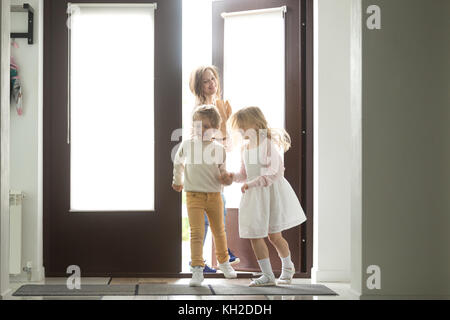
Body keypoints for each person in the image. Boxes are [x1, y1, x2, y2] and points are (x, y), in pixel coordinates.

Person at [220, 107, 307, 287]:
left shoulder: (267, 145)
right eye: (239, 128)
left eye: (243, 127)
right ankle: (267, 275)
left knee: (274, 236)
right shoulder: (245, 148)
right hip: (254, 196)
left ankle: (287, 267)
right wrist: (233, 177)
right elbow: (244, 173)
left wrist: (251, 184)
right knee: (254, 235)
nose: (241, 131)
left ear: (256, 124)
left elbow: (274, 173)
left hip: (270, 193)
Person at [173, 105, 237, 287]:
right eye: (197, 126)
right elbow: (178, 163)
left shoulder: (219, 149)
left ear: (216, 129)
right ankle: (197, 268)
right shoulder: (187, 145)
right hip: (193, 196)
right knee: (197, 233)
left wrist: (227, 179)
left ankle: (224, 263)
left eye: (206, 127)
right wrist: (177, 181)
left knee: (219, 230)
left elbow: (222, 172)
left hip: (215, 195)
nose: (200, 130)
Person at [189, 66, 240, 272]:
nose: (212, 83)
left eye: (214, 79)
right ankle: (201, 260)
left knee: (219, 212)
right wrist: (222, 134)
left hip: (215, 165)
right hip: (204, 169)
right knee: (207, 218)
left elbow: (226, 142)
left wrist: (226, 132)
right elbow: (202, 138)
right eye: (206, 81)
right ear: (199, 86)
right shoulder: (201, 110)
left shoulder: (219, 106)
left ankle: (221, 254)